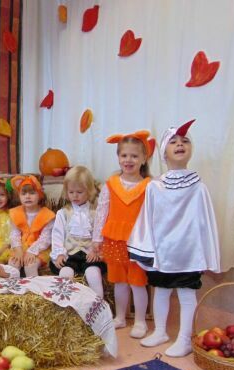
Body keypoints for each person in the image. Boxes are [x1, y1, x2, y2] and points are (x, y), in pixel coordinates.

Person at [128, 120, 221, 357]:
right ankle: (160, 331)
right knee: (161, 289)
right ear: (164, 153)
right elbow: (147, 219)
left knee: (186, 293)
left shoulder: (198, 188)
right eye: (173, 142)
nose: (180, 144)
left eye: (185, 141)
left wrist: (205, 252)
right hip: (163, 251)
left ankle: (185, 339)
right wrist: (146, 248)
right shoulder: (155, 187)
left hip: (188, 253)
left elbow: (205, 222)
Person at [92, 130, 154, 338]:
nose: (129, 160)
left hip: (138, 242)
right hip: (114, 240)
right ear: (118, 157)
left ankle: (140, 321)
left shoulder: (150, 186)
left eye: (134, 156)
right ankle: (120, 317)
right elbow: (102, 211)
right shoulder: (110, 184)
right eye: (124, 155)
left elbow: (153, 215)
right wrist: (97, 239)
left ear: (144, 159)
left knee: (137, 281)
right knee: (119, 281)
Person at [50, 166, 106, 298]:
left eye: (79, 192)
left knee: (93, 273)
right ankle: (64, 303)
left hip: (89, 255)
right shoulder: (63, 213)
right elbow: (57, 235)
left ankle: (99, 303)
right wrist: (59, 254)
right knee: (65, 273)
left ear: (89, 191)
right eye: (71, 192)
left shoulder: (96, 213)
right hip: (69, 255)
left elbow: (100, 235)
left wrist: (96, 251)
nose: (75, 196)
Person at [8, 175, 55, 277]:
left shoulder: (47, 215)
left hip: (39, 249)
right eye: (23, 193)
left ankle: (33, 285)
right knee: (13, 263)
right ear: (19, 196)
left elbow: (46, 239)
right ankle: (13, 285)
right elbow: (14, 234)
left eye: (32, 193)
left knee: (30, 265)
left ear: (40, 195)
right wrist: (18, 250)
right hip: (21, 247)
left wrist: (32, 252)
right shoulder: (16, 213)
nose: (27, 196)